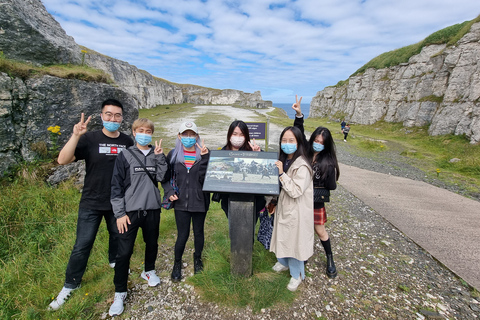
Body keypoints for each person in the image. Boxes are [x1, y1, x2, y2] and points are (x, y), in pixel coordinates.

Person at [49, 99, 134, 311]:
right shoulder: (90, 138)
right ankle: (71, 284)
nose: (113, 119)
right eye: (108, 114)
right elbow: (63, 160)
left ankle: (114, 262)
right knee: (82, 244)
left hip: (118, 203)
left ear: (122, 118)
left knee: (118, 236)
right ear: (101, 116)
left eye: (117, 115)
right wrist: (76, 135)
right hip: (91, 201)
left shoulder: (127, 142)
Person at [108, 118, 167, 316]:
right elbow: (116, 187)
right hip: (130, 212)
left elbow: (161, 177)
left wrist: (159, 157)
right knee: (123, 253)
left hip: (152, 209)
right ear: (134, 133)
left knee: (152, 244)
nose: (145, 133)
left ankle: (149, 271)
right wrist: (120, 214)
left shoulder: (156, 154)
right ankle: (120, 292)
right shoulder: (124, 155)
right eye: (141, 130)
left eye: (148, 131)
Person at [292, 95, 339, 278]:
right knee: (302, 228)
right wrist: (299, 115)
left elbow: (332, 187)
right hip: (301, 198)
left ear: (326, 145)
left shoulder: (328, 162)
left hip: (316, 202)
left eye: (321, 142)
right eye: (316, 140)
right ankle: (303, 255)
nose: (318, 144)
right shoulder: (306, 151)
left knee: (320, 230)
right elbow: (298, 133)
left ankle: (330, 258)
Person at [162, 121, 210, 282]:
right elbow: (165, 178)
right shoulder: (173, 155)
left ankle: (197, 259)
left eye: (192, 134)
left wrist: (204, 159)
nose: (189, 137)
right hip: (180, 202)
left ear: (197, 136)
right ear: (179, 136)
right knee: (182, 234)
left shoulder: (204, 153)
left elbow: (206, 180)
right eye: (185, 134)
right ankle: (177, 263)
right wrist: (169, 192)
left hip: (200, 201)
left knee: (198, 233)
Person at [269, 126, 314, 292]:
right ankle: (283, 263)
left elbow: (295, 190)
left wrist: (282, 175)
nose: (286, 144)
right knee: (283, 237)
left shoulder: (302, 165)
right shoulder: (283, 159)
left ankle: (297, 275)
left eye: (291, 140)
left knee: (295, 243)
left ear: (299, 142)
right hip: (284, 207)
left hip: (296, 211)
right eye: (284, 140)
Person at [217, 120, 266, 218]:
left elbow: (262, 171)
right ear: (229, 134)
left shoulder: (253, 150)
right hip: (229, 201)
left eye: (241, 134)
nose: (237, 137)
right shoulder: (222, 153)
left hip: (252, 202)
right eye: (235, 134)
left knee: (248, 229)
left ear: (246, 136)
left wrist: (258, 155)